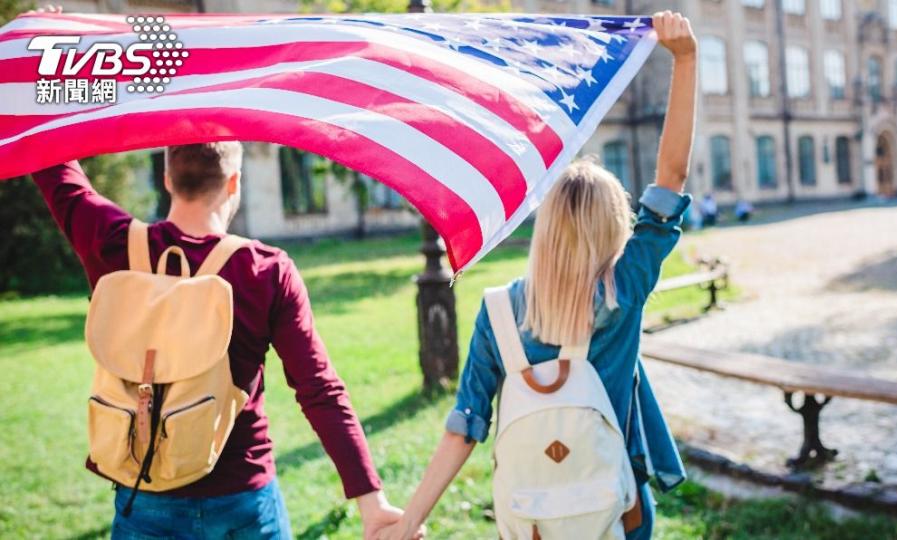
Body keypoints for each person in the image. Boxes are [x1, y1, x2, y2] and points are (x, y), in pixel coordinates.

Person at [376, 10, 696, 540]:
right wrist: (684, 60)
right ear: (613, 230)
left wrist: (411, 521)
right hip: (617, 512)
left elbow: (465, 426)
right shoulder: (623, 290)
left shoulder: (500, 311)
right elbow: (671, 178)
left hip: (533, 520)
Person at [31, 144, 410, 538]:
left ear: (167, 180)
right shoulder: (266, 270)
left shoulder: (114, 242)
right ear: (234, 183)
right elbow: (319, 388)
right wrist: (371, 499)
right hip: (243, 496)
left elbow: (55, 168)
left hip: (146, 494)